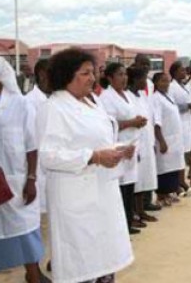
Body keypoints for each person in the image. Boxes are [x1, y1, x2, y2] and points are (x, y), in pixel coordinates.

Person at [37, 48, 134, 283]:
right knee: (80, 262)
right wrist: (94, 157)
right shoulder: (54, 107)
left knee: (104, 257)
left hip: (101, 192)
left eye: (93, 72)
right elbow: (48, 155)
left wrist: (119, 149)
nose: (92, 78)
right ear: (66, 75)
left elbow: (100, 140)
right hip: (75, 195)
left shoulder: (92, 102)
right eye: (84, 73)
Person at [0, 56, 48, 283]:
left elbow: (32, 144)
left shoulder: (20, 104)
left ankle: (33, 275)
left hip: (16, 179)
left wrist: (31, 179)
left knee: (24, 230)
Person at [99, 62, 147, 235]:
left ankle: (127, 223)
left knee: (129, 188)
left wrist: (138, 121)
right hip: (118, 148)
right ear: (110, 78)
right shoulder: (106, 97)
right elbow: (108, 124)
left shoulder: (127, 95)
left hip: (133, 147)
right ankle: (119, 228)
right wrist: (132, 122)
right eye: (119, 74)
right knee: (119, 189)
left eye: (125, 74)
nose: (124, 78)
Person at [127, 67, 158, 223]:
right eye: (143, 78)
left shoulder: (141, 96)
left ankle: (141, 209)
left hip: (146, 140)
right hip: (134, 142)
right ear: (134, 79)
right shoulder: (127, 97)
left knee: (144, 177)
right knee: (135, 180)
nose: (145, 82)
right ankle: (133, 213)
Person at [151, 72, 185, 206]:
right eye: (162, 81)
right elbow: (156, 122)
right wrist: (162, 141)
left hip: (175, 139)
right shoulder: (155, 99)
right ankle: (161, 195)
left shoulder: (168, 96)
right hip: (165, 139)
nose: (166, 84)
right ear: (155, 83)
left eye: (167, 81)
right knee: (163, 169)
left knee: (173, 168)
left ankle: (170, 192)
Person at [25, 59, 51, 215]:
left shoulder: (53, 99)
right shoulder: (29, 102)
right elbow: (30, 143)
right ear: (42, 75)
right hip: (39, 171)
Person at [167, 61, 191, 193]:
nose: (184, 72)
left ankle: (182, 180)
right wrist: (187, 106)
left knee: (184, 153)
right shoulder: (171, 87)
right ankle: (179, 182)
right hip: (178, 123)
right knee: (178, 154)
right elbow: (171, 105)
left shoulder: (183, 86)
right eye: (181, 70)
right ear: (175, 72)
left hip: (186, 122)